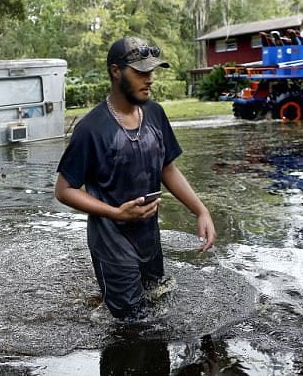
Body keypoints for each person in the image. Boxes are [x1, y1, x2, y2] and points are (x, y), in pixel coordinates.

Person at [55, 36, 216, 320]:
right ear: (116, 71)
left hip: (149, 239)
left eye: (152, 71)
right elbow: (64, 190)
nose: (150, 78)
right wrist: (116, 212)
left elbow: (168, 168)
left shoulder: (155, 114)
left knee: (157, 304)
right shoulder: (91, 129)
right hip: (111, 243)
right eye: (141, 72)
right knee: (132, 326)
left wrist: (200, 210)